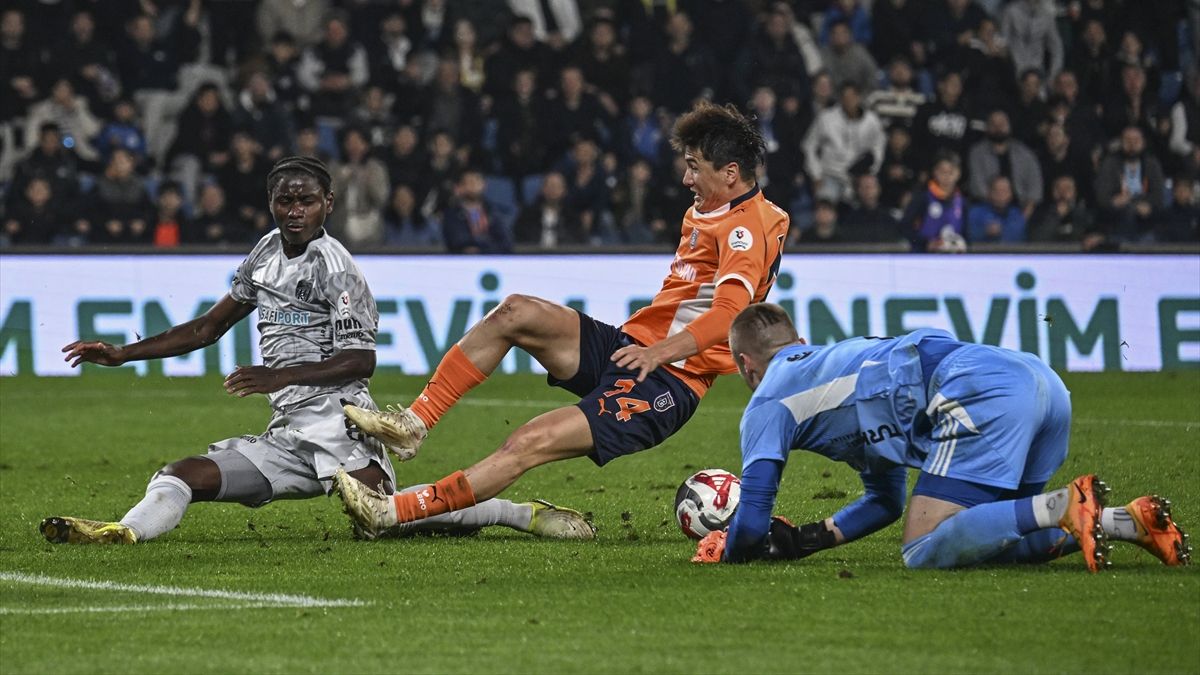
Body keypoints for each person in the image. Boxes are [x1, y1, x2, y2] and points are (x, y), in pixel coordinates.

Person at [41, 156, 592, 546]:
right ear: (271, 203)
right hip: (287, 433)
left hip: (339, 423)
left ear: (328, 203)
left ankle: (516, 513)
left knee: (383, 520)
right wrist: (124, 353)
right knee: (182, 473)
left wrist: (279, 376)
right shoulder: (263, 253)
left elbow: (362, 361)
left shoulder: (337, 267)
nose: (295, 210)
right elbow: (209, 327)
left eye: (306, 200)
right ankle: (123, 532)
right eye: (285, 200)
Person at [334, 102, 789, 534]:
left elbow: (729, 315)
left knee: (528, 441)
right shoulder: (713, 209)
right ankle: (414, 424)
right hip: (629, 348)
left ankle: (389, 512)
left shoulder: (746, 229)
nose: (687, 178)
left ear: (731, 173)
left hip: (668, 381)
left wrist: (659, 353)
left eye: (695, 167)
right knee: (516, 311)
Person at [690, 303, 1191, 570]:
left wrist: (729, 548)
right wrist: (804, 540)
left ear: (745, 366)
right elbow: (884, 501)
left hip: (975, 390)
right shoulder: (841, 370)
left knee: (923, 548)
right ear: (800, 342)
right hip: (1041, 382)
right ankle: (1127, 522)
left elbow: (750, 524)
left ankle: (1062, 504)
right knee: (991, 540)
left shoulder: (767, 401)